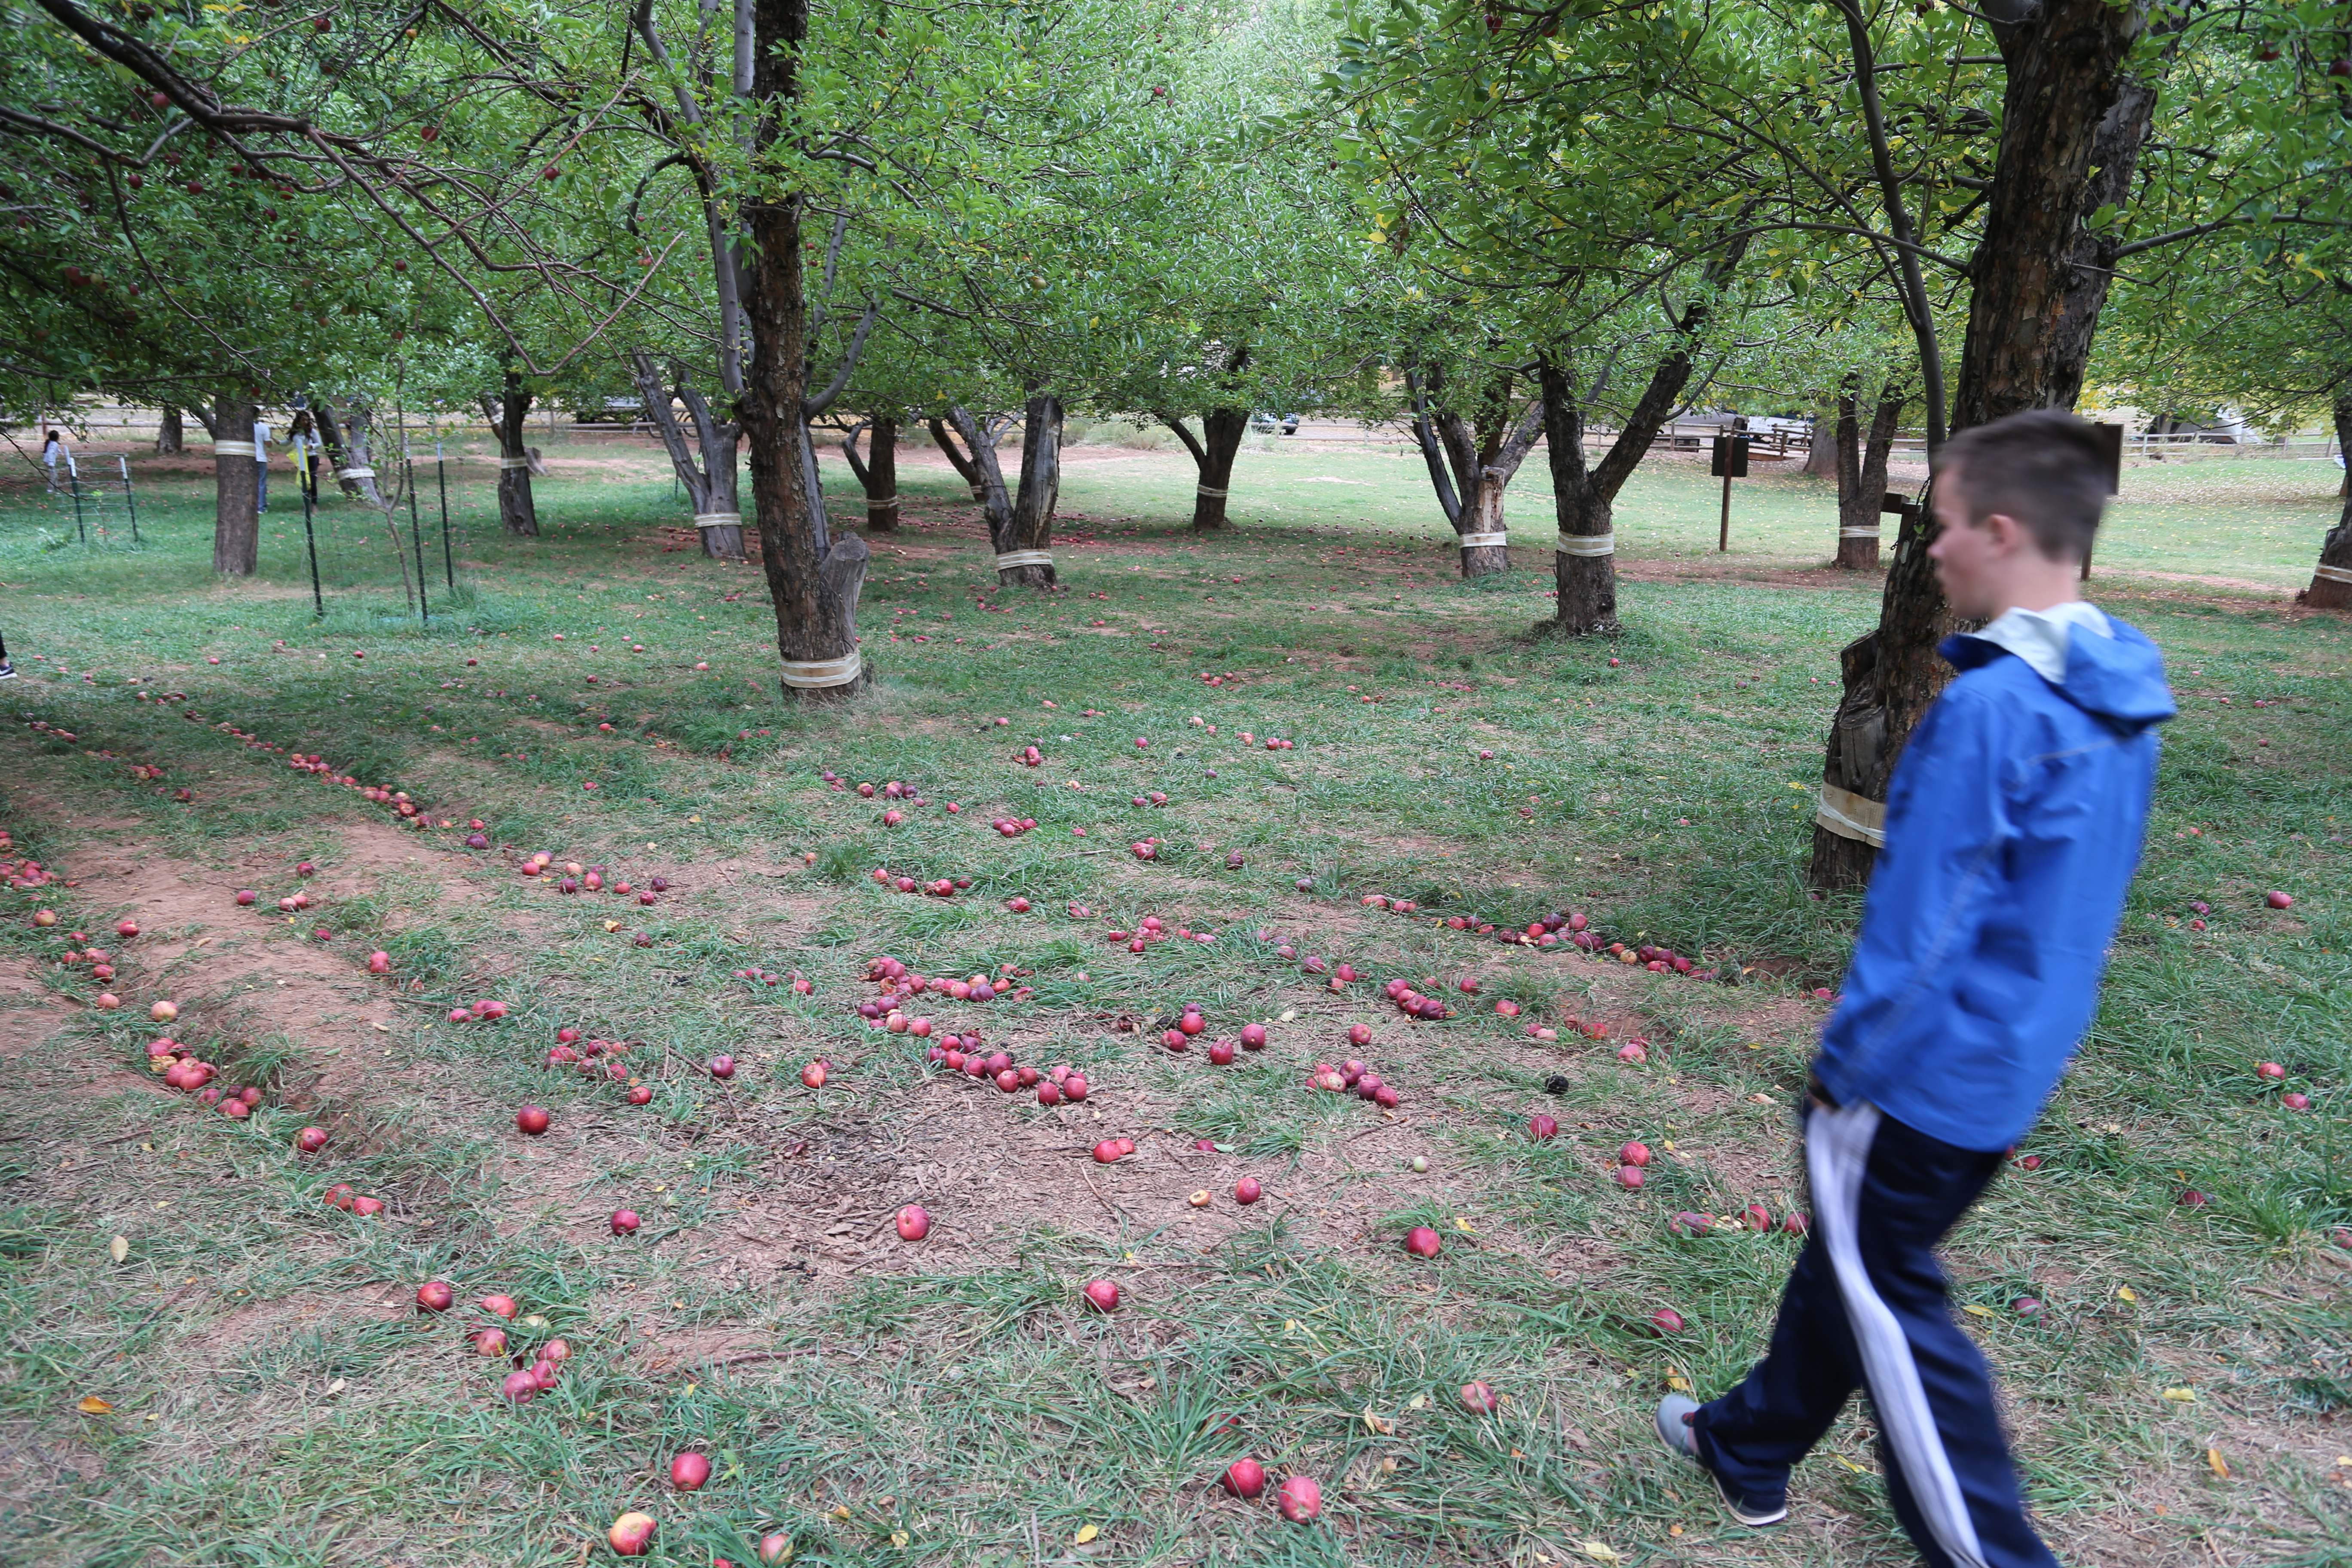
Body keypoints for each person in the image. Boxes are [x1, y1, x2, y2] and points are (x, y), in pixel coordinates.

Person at [1656, 408, 2176, 1568]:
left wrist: (1849, 1068)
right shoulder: (2120, 698)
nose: (1930, 550)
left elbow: (1924, 925)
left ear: (1999, 532)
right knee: (1858, 1260)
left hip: (1920, 1076)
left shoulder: (1991, 708)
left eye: (1941, 527)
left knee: (1891, 1300)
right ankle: (1751, 1440)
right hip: (2014, 1060)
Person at [253, 411, 274, 510]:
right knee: (261, 483)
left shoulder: (241, 427)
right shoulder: (263, 427)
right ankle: (261, 507)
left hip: (246, 457)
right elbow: (268, 444)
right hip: (260, 457)